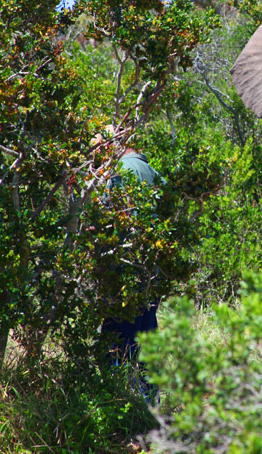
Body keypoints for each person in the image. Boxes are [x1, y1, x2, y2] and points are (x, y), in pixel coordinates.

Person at [101, 150, 163, 387]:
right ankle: (149, 401)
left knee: (119, 336)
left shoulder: (120, 169)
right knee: (146, 335)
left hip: (126, 269)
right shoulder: (154, 173)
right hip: (153, 270)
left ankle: (120, 397)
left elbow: (112, 218)